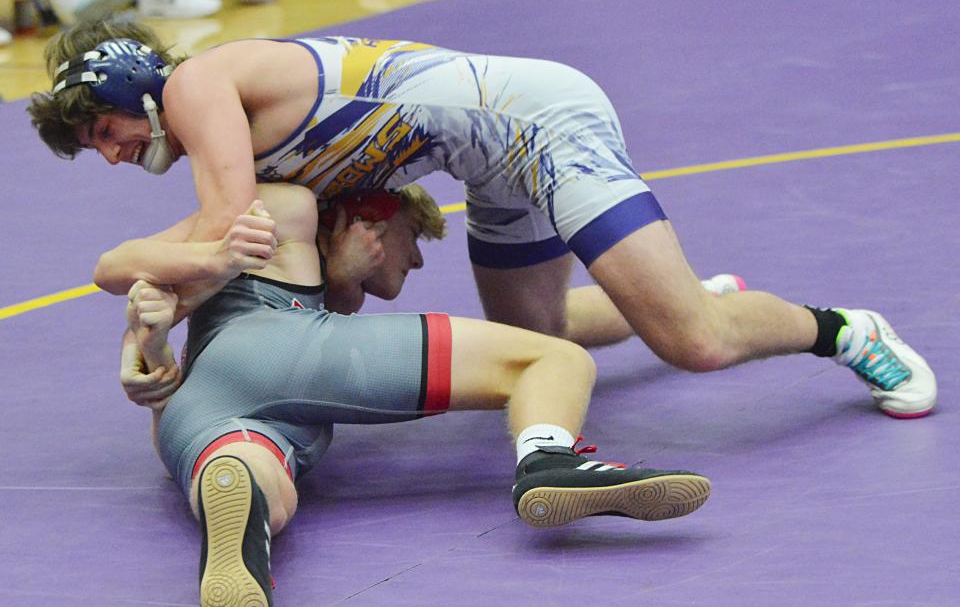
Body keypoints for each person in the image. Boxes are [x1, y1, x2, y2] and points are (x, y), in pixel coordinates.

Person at [28, 19, 936, 419]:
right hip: (487, 165)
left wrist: (142, 323)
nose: (110, 155)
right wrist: (330, 270)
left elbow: (223, 233)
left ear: (132, 89)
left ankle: (847, 331)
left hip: (542, 124)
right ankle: (688, 293)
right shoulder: (263, 158)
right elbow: (342, 294)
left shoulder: (197, 84)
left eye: (101, 131)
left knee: (693, 346)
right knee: (538, 335)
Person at [102, 181, 711, 606]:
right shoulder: (280, 209)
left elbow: (174, 364)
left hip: (191, 414)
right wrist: (200, 271)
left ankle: (235, 499)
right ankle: (550, 459)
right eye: (413, 236)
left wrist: (150, 343)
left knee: (264, 483)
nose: (417, 259)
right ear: (371, 221)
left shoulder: (283, 267)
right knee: (553, 358)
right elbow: (116, 262)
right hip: (279, 344)